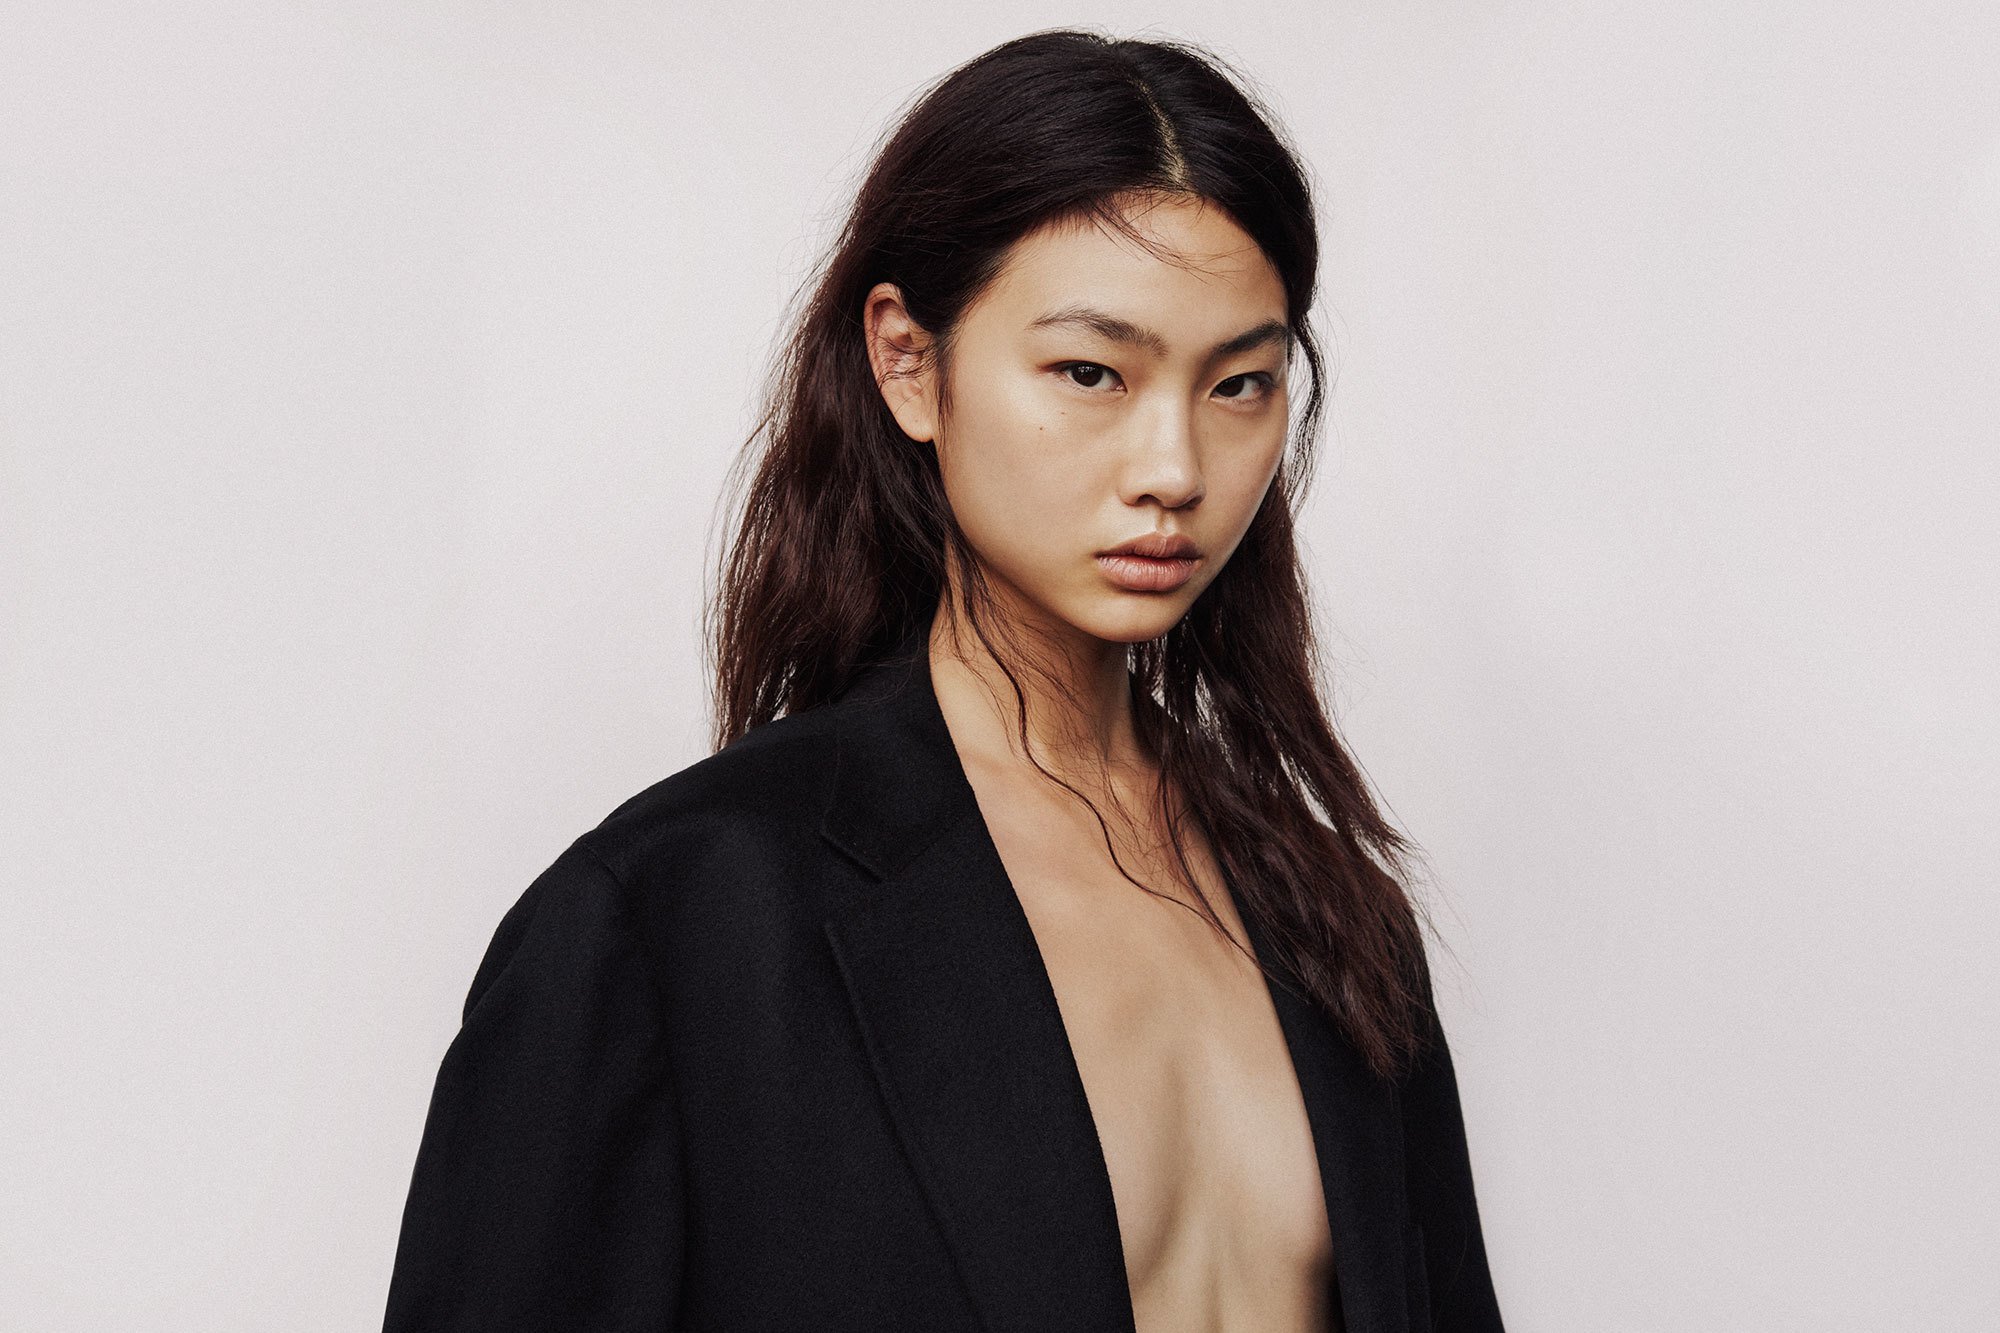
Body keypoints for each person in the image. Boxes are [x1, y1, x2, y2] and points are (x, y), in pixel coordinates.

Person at [381, 28, 1505, 1333]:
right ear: (909, 363)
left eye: (1239, 384)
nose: (1175, 468)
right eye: (1091, 372)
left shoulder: (1332, 915)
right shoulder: (672, 923)